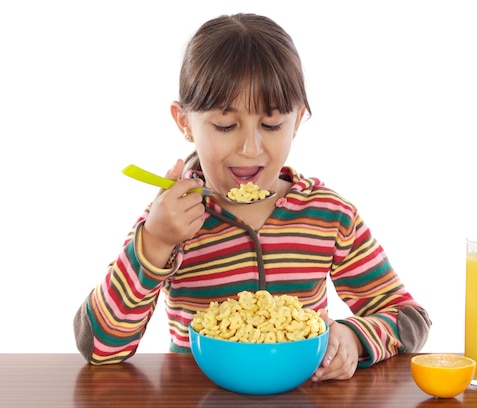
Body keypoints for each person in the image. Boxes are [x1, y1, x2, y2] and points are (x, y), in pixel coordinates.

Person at [73, 12, 431, 382]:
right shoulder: (171, 219)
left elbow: (409, 318)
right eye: (225, 125)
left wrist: (354, 340)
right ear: (184, 123)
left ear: (297, 120)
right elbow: (98, 347)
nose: (249, 147)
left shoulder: (330, 216)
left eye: (272, 124)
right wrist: (156, 241)